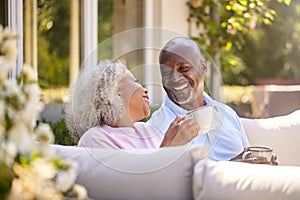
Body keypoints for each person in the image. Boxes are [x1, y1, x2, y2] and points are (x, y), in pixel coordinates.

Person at [147, 37, 277, 164]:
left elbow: (247, 157)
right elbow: (163, 180)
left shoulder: (227, 114)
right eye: (166, 72)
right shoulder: (157, 126)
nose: (175, 78)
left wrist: (261, 165)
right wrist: (235, 167)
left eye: (183, 69)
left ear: (203, 66)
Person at [65, 59, 200, 149]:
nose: (144, 89)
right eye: (135, 81)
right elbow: (131, 186)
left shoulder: (147, 130)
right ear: (112, 94)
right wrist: (171, 146)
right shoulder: (95, 138)